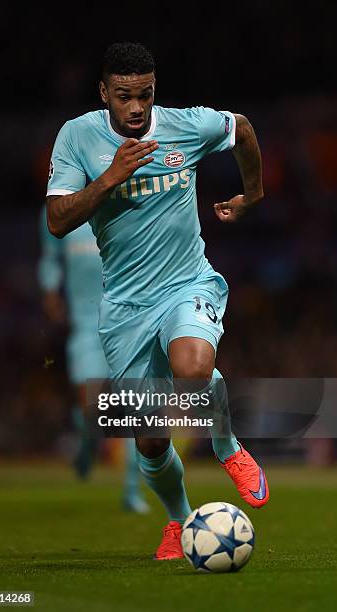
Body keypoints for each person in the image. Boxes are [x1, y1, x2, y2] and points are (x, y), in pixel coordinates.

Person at [45, 42, 269, 560]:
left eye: (145, 95)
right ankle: (177, 519)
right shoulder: (77, 137)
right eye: (124, 97)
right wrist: (109, 178)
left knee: (193, 369)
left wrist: (253, 194)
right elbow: (58, 221)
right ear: (104, 93)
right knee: (149, 438)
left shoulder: (184, 126)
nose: (137, 108)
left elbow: (242, 128)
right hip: (124, 306)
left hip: (186, 283)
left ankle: (227, 448)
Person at [38, 207, 149, 513]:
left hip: (127, 320)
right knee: (91, 406)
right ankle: (87, 448)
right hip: (86, 324)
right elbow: (49, 255)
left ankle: (131, 489)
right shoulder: (60, 204)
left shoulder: (124, 197)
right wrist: (49, 290)